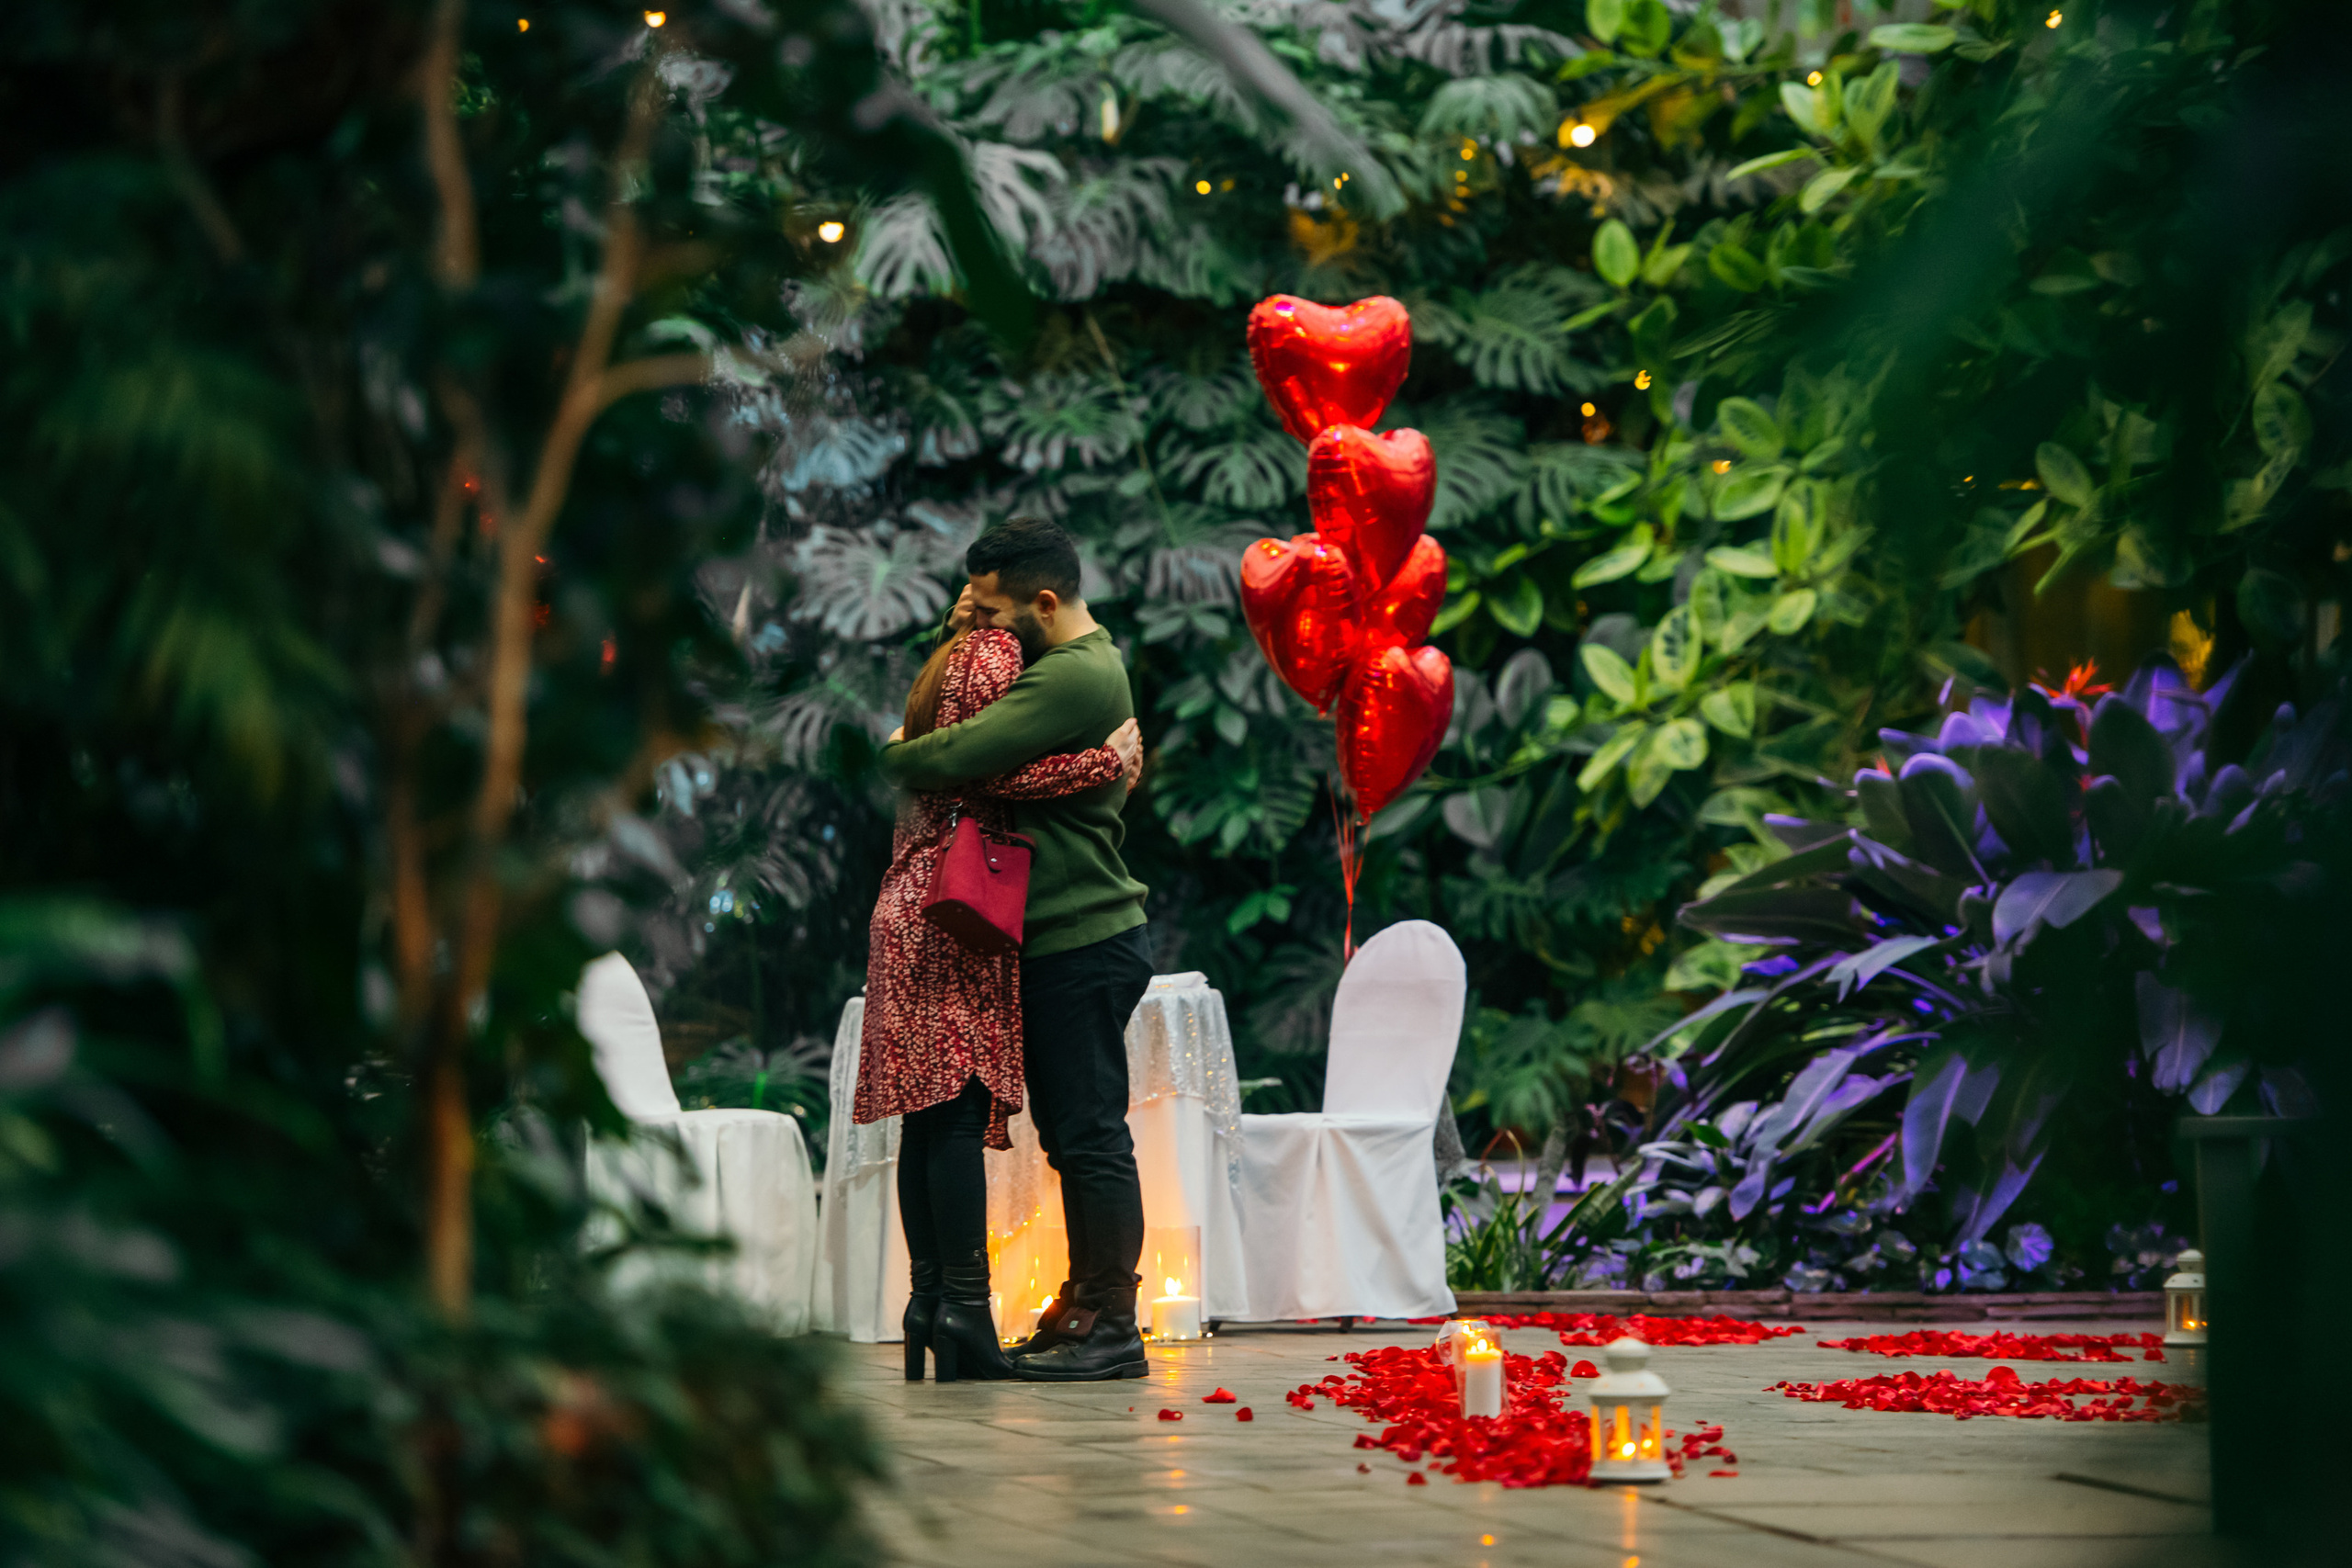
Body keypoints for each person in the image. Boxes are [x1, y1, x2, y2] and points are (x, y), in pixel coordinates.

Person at [879, 516, 1157, 1382]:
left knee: (1089, 1136)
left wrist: (895, 752)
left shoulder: (1075, 672)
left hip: (1083, 931)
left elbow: (966, 753)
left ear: (1043, 602)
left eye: (996, 611)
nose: (984, 627)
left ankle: (1112, 1324)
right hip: (1051, 935)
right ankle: (1080, 1309)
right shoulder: (1049, 657)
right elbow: (974, 731)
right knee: (1072, 1138)